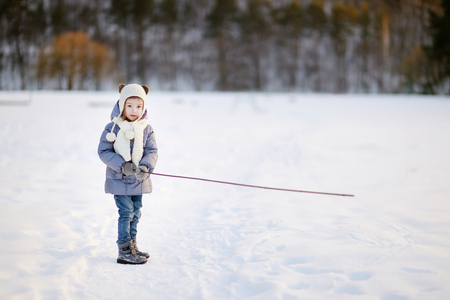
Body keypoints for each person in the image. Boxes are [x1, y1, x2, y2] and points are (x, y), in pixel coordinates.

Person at [98, 83, 158, 265]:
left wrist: (146, 167)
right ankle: (124, 250)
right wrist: (122, 165)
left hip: (138, 180)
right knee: (126, 212)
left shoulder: (146, 129)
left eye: (139, 106)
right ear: (121, 105)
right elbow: (104, 151)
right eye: (129, 105)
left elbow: (152, 151)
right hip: (119, 178)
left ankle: (132, 245)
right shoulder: (113, 128)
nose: (134, 110)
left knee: (136, 213)